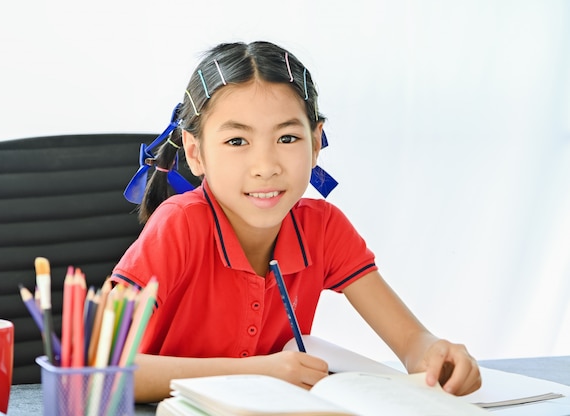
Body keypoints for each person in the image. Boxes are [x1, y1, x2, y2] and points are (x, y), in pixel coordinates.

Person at [111, 40, 482, 403]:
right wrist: (260, 371)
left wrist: (437, 355)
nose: (266, 166)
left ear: (316, 142)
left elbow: (411, 342)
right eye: (237, 141)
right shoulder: (178, 226)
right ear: (195, 153)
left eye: (287, 138)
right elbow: (100, 368)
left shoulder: (323, 229)